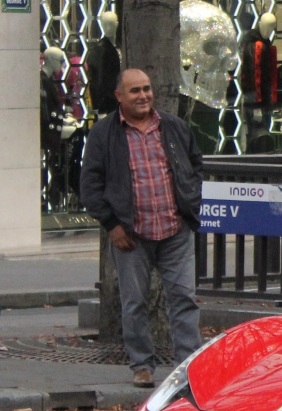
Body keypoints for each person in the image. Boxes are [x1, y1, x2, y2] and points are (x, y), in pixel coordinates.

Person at [80, 68, 204, 389]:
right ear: (119, 96)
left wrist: (190, 204)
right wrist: (111, 225)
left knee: (184, 300)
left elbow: (194, 166)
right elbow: (90, 184)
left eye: (147, 89)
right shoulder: (104, 133)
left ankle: (187, 369)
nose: (143, 96)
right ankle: (142, 366)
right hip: (129, 236)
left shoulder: (173, 127)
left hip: (175, 229)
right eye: (134, 90)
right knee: (134, 302)